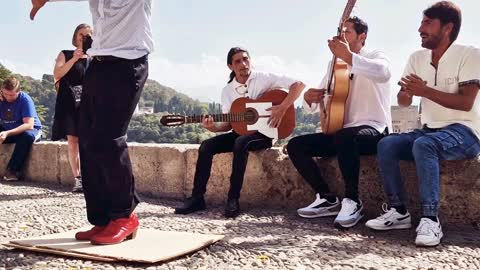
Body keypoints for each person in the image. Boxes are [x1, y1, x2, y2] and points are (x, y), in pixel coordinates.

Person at [31, 0, 153, 245]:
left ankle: (124, 216)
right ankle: (103, 218)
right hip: (97, 65)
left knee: (110, 138)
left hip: (127, 64)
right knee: (86, 139)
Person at [365, 1, 480, 247]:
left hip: (465, 131)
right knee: (387, 144)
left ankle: (430, 219)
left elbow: (465, 103)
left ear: (447, 28)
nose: (420, 29)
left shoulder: (470, 54)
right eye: (421, 22)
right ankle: (399, 212)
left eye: (427, 23)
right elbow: (403, 101)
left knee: (424, 145)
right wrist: (408, 93)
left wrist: (425, 90)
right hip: (429, 129)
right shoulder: (417, 57)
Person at [286, 16, 392, 229]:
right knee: (296, 145)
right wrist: (309, 99)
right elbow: (324, 99)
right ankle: (326, 198)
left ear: (362, 37)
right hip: (343, 133)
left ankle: (353, 200)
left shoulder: (374, 56)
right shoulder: (333, 65)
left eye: (347, 32)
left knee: (345, 137)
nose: (341, 37)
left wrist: (349, 56)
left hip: (374, 129)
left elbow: (383, 73)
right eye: (340, 32)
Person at [175, 47, 305, 218]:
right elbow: (229, 125)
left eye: (246, 59)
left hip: (265, 133)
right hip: (241, 133)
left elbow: (299, 85)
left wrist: (281, 108)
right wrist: (212, 128)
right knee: (207, 146)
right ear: (230, 66)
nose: (243, 64)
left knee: (241, 142)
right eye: (238, 61)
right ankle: (197, 198)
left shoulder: (264, 78)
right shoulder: (228, 91)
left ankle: (233, 199)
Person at [52, 23, 92, 193]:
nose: (83, 37)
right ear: (75, 37)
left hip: (90, 103)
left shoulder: (95, 58)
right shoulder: (65, 54)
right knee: (73, 141)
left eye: (88, 35)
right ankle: (77, 178)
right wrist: (74, 59)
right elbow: (57, 74)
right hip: (70, 103)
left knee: (90, 140)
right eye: (81, 34)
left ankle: (91, 177)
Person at [0, 77, 42, 181]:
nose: (8, 97)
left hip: (30, 130)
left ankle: (12, 170)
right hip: (8, 130)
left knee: (26, 136)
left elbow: (29, 125)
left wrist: (7, 133)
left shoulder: (25, 99)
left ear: (19, 92)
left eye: (12, 95)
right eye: (5, 94)